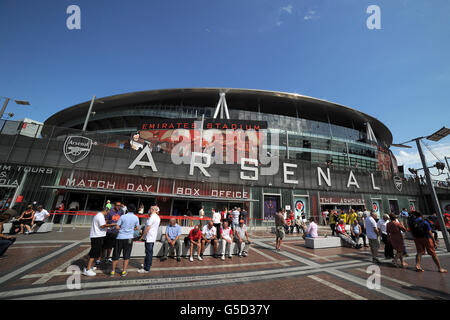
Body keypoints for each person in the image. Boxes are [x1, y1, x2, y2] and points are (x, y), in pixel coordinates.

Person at [110, 203, 140, 277]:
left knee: (116, 254)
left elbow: (117, 227)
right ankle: (123, 271)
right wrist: (131, 229)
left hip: (120, 237)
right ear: (134, 210)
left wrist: (122, 229)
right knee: (126, 255)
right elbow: (137, 228)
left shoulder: (123, 216)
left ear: (127, 209)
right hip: (129, 238)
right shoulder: (136, 217)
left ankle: (113, 271)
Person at [83, 208, 109, 276]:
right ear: (105, 211)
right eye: (107, 212)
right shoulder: (100, 216)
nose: (107, 214)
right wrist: (112, 225)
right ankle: (88, 269)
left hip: (96, 236)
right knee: (94, 253)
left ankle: (87, 267)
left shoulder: (98, 215)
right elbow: (102, 225)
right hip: (97, 236)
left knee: (93, 252)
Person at [138, 205, 161, 273]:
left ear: (153, 210)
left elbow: (148, 228)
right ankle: (148, 264)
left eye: (150, 209)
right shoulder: (157, 217)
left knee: (148, 253)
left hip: (149, 237)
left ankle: (146, 268)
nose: (149, 210)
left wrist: (142, 236)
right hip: (152, 237)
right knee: (150, 252)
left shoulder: (152, 217)